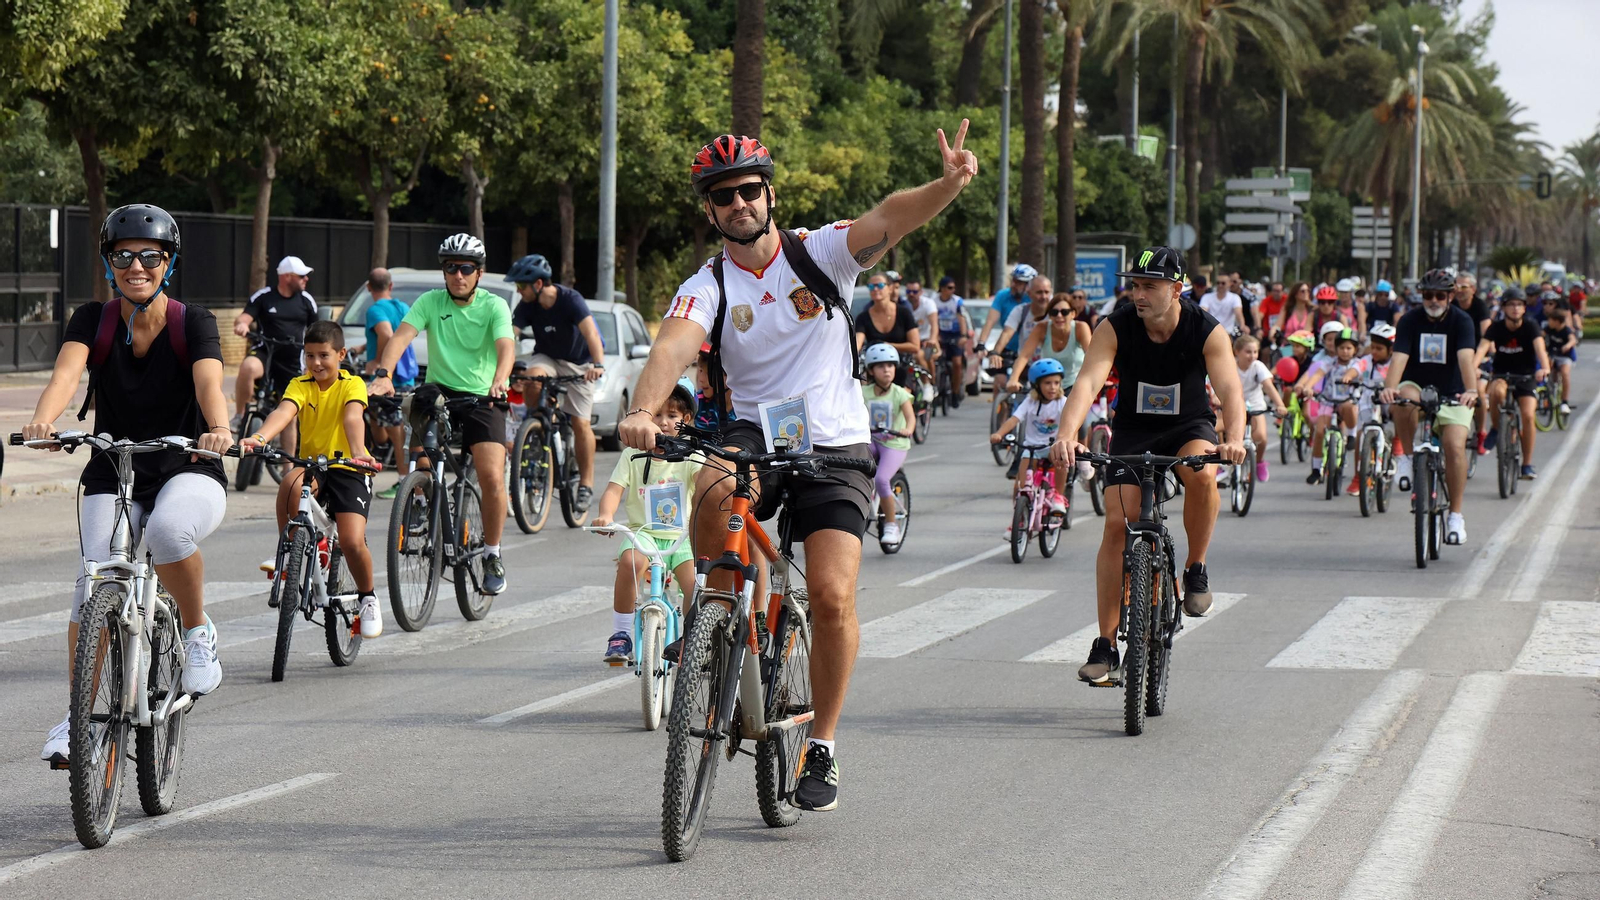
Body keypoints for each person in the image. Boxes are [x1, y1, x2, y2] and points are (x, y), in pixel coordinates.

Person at [623, 125, 978, 812]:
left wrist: (949, 185)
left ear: (769, 193)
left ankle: (824, 745)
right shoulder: (707, 286)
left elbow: (888, 217)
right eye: (722, 196)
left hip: (836, 446)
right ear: (710, 210)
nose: (738, 203)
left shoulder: (819, 254)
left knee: (832, 593)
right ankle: (716, 616)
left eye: (748, 189)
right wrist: (643, 408)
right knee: (713, 482)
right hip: (752, 436)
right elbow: (672, 347)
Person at [24, 205, 232, 765]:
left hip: (187, 462)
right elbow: (66, 375)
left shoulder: (195, 322)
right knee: (92, 583)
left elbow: (210, 382)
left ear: (168, 263)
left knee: (167, 531)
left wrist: (218, 429)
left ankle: (194, 633)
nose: (136, 266)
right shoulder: (93, 319)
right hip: (113, 466)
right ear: (108, 262)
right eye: (123, 256)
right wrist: (44, 421)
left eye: (150, 256)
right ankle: (78, 721)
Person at [1049, 246, 1246, 685]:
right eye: (1135, 285)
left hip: (1188, 425)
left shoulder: (1206, 329)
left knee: (1202, 474)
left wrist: (1234, 439)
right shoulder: (1115, 325)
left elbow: (1231, 390)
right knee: (1117, 523)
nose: (1139, 294)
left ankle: (1194, 570)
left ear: (1176, 289)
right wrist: (1067, 434)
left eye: (1150, 286)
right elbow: (1088, 381)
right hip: (1134, 430)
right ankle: (1105, 645)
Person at [369, 234, 515, 595]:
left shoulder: (494, 306)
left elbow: (505, 346)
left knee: (492, 478)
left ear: (478, 273)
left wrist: (500, 380)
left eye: (466, 268)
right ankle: (420, 493)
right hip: (441, 392)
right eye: (451, 268)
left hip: (484, 395)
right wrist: (383, 375)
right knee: (419, 400)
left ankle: (492, 554)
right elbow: (400, 338)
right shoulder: (431, 302)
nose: (458, 275)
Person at [243, 320, 383, 638]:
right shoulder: (300, 384)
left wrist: (359, 451)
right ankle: (290, 552)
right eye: (309, 356)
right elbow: (284, 411)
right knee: (291, 481)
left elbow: (352, 416)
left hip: (350, 466)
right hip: (315, 466)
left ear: (341, 354)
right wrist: (260, 437)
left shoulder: (353, 384)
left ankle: (368, 597)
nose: (316, 363)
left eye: (323, 355)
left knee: (350, 541)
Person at [590, 382, 701, 664]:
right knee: (631, 563)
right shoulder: (632, 454)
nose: (664, 422)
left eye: (673, 416)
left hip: (682, 537)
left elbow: (703, 487)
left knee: (694, 583)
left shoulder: (691, 454)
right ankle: (621, 635)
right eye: (657, 415)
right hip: (643, 533)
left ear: (686, 420)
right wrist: (606, 515)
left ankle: (688, 638)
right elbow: (614, 491)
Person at [1381, 268, 1479, 545]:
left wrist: (1471, 390)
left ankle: (1456, 516)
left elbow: (1465, 358)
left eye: (1439, 295)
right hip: (1417, 383)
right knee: (1401, 398)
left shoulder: (1463, 321)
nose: (1433, 300)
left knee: (1454, 446)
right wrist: (1389, 386)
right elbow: (1399, 357)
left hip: (1455, 391)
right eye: (1427, 295)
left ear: (1450, 296)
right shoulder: (1410, 320)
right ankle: (1408, 458)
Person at [506, 253, 607, 512]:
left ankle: (585, 485)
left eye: (521, 285)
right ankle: (538, 423)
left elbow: (591, 333)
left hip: (579, 363)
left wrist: (597, 364)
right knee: (531, 377)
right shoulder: (526, 305)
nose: (519, 290)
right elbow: (510, 336)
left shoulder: (571, 300)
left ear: (538, 284)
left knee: (580, 423)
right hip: (548, 358)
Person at [232, 256, 317, 453]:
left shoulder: (306, 300)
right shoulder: (264, 296)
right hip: (266, 352)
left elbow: (318, 330)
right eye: (302, 276)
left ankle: (288, 468)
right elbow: (244, 317)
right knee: (248, 367)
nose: (306, 280)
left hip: (292, 359)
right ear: (288, 277)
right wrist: (242, 325)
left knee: (288, 414)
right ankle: (240, 414)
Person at [1474, 290, 1549, 480]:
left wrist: (1545, 368)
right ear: (1504, 307)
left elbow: (1540, 349)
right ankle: (1498, 427)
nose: (1515, 309)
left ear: (1524, 308)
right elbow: (1482, 348)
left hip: (1526, 377)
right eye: (1511, 304)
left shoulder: (1531, 327)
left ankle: (1526, 464)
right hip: (1502, 375)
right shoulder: (1496, 328)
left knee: (1528, 415)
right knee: (1496, 392)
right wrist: (1473, 367)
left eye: (1519, 305)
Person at [991, 358, 1070, 519]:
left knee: (1062, 462)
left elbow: (1070, 423)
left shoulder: (1063, 402)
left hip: (1052, 447)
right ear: (1036, 385)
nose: (1053, 387)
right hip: (1031, 448)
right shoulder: (1030, 401)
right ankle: (1019, 519)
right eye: (1048, 383)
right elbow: (1014, 419)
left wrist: (1067, 442)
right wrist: (999, 433)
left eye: (1056, 382)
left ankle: (1058, 497)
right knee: (1020, 485)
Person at [362, 268, 416, 500]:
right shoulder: (401, 307)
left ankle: (403, 480)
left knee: (394, 432)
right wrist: (362, 349)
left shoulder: (375, 310)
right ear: (390, 286)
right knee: (390, 426)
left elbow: (385, 334)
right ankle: (399, 470)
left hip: (389, 378)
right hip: (407, 375)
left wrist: (376, 361)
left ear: (368, 287)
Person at [861, 343, 917, 544]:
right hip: (872, 440)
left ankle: (891, 525)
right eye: (881, 366)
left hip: (895, 443)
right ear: (871, 371)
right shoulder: (863, 392)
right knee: (853, 468)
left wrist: (908, 429)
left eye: (891, 366)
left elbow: (910, 418)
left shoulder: (900, 393)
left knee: (882, 479)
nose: (887, 370)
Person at [1295, 327, 1363, 493]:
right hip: (1328, 400)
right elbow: (1317, 375)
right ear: (1336, 349)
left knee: (1349, 408)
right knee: (1319, 432)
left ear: (1354, 350)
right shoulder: (1329, 363)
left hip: (1347, 400)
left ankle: (1352, 434)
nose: (1345, 352)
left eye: (1349, 348)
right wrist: (1308, 388)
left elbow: (1356, 371)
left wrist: (1349, 376)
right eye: (1341, 348)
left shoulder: (1357, 363)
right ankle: (1317, 469)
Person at [1232, 334, 1288, 484]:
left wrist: (1280, 404)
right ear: (1237, 352)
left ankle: (1259, 461)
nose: (1252, 356)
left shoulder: (1258, 366)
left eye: (1255, 352)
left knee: (1261, 438)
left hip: (1255, 405)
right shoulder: (1230, 366)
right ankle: (1219, 464)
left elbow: (1268, 386)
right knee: (1221, 432)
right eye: (1248, 352)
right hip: (1233, 404)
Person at [855, 272, 923, 389]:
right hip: (875, 368)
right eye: (871, 286)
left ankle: (928, 387)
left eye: (880, 285)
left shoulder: (904, 313)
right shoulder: (863, 317)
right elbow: (857, 344)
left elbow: (915, 346)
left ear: (890, 288)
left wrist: (887, 345)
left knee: (905, 398)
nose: (875, 289)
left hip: (902, 366)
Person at [975, 262, 1039, 386]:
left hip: (1031, 349)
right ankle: (999, 403)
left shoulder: (1035, 299)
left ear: (1030, 286)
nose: (1014, 285)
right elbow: (990, 321)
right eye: (1014, 281)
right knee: (1000, 380)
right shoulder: (1002, 296)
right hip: (1008, 346)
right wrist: (982, 343)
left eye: (1019, 282)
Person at [933, 275, 970, 407]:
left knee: (957, 363)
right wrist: (934, 335)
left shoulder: (957, 301)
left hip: (955, 334)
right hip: (940, 333)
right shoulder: (934, 301)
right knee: (934, 359)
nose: (952, 290)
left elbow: (962, 319)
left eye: (953, 288)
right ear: (942, 289)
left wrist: (964, 335)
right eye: (949, 288)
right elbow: (932, 319)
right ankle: (934, 389)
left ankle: (955, 392)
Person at [1543, 301, 1577, 416]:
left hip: (1565, 356)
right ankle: (1547, 395)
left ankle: (1564, 402)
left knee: (1564, 373)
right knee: (1548, 372)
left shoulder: (1566, 330)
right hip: (1553, 354)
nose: (1549, 322)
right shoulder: (1549, 328)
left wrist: (1567, 345)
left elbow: (1573, 339)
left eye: (1551, 320)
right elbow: (1540, 334)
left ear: (1557, 322)